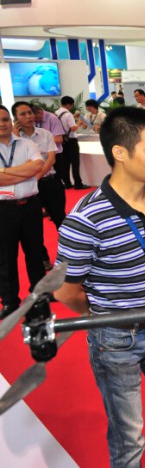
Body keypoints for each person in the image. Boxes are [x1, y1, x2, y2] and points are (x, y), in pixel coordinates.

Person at [54, 107, 145, 468]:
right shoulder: (85, 219)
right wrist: (105, 319)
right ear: (120, 153)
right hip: (115, 337)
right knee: (128, 432)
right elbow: (65, 291)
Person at [0, 104, 44, 319]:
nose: (2, 124)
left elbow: (36, 167)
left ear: (11, 121)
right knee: (5, 258)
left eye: (5, 119)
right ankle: (10, 302)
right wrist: (23, 171)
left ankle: (39, 298)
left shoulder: (27, 144)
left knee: (35, 254)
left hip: (30, 207)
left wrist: (4, 171)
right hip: (3, 210)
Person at [12, 101, 66, 271]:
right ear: (16, 119)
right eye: (23, 114)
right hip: (29, 190)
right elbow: (16, 163)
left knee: (61, 221)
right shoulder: (12, 140)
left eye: (30, 112)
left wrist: (35, 177)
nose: (29, 116)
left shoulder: (45, 134)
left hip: (49, 184)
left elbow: (51, 159)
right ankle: (44, 259)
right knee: (34, 228)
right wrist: (15, 136)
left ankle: (69, 256)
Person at [55, 96, 89, 189]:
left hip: (62, 140)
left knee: (65, 163)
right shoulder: (68, 114)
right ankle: (78, 183)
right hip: (71, 141)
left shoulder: (56, 113)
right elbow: (73, 128)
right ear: (69, 104)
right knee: (75, 163)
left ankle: (67, 183)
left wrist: (73, 117)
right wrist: (79, 123)